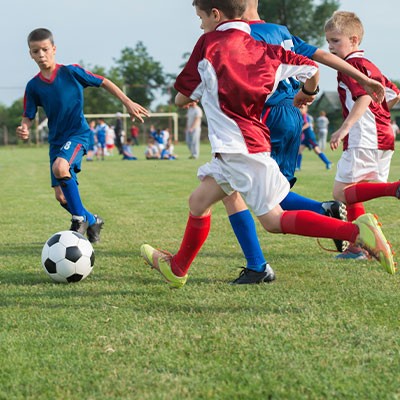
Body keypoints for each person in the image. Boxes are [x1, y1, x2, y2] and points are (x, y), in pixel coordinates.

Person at [139, 0, 395, 289]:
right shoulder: (267, 50)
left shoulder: (208, 43)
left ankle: (355, 234)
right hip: (245, 144)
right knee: (198, 202)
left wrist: (196, 94)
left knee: (274, 220)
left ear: (215, 14)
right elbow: (312, 69)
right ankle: (177, 268)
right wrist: (314, 92)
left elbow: (181, 98)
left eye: (200, 17)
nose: (200, 24)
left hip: (240, 148)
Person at [220, 0, 388, 284]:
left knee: (246, 194)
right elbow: (318, 59)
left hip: (265, 115)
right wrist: (323, 88)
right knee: (267, 189)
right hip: (290, 113)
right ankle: (326, 214)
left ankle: (258, 265)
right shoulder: (281, 31)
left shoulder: (239, 34)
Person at [16, 28, 149, 242]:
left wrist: (128, 102)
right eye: (35, 51)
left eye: (45, 49)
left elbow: (103, 81)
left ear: (54, 49)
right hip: (56, 142)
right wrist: (24, 127)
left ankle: (79, 219)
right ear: (30, 54)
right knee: (60, 196)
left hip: (78, 134)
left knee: (60, 167)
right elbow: (28, 115)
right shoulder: (33, 86)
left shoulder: (71, 72)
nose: (41, 55)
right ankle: (92, 219)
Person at [324, 11, 400, 260]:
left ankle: (395, 189)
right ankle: (358, 246)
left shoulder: (352, 66)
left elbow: (365, 96)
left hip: (364, 136)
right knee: (354, 188)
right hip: (382, 136)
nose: (330, 47)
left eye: (336, 41)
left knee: (340, 193)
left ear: (354, 40)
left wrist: (344, 127)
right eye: (328, 42)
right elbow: (393, 94)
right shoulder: (370, 65)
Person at [296, 104, 333, 170]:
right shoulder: (302, 116)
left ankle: (328, 162)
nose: (301, 109)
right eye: (300, 108)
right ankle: (298, 167)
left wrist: (300, 129)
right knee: (299, 150)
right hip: (306, 137)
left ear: (306, 109)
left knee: (317, 150)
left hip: (310, 137)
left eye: (303, 108)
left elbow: (307, 124)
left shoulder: (305, 115)